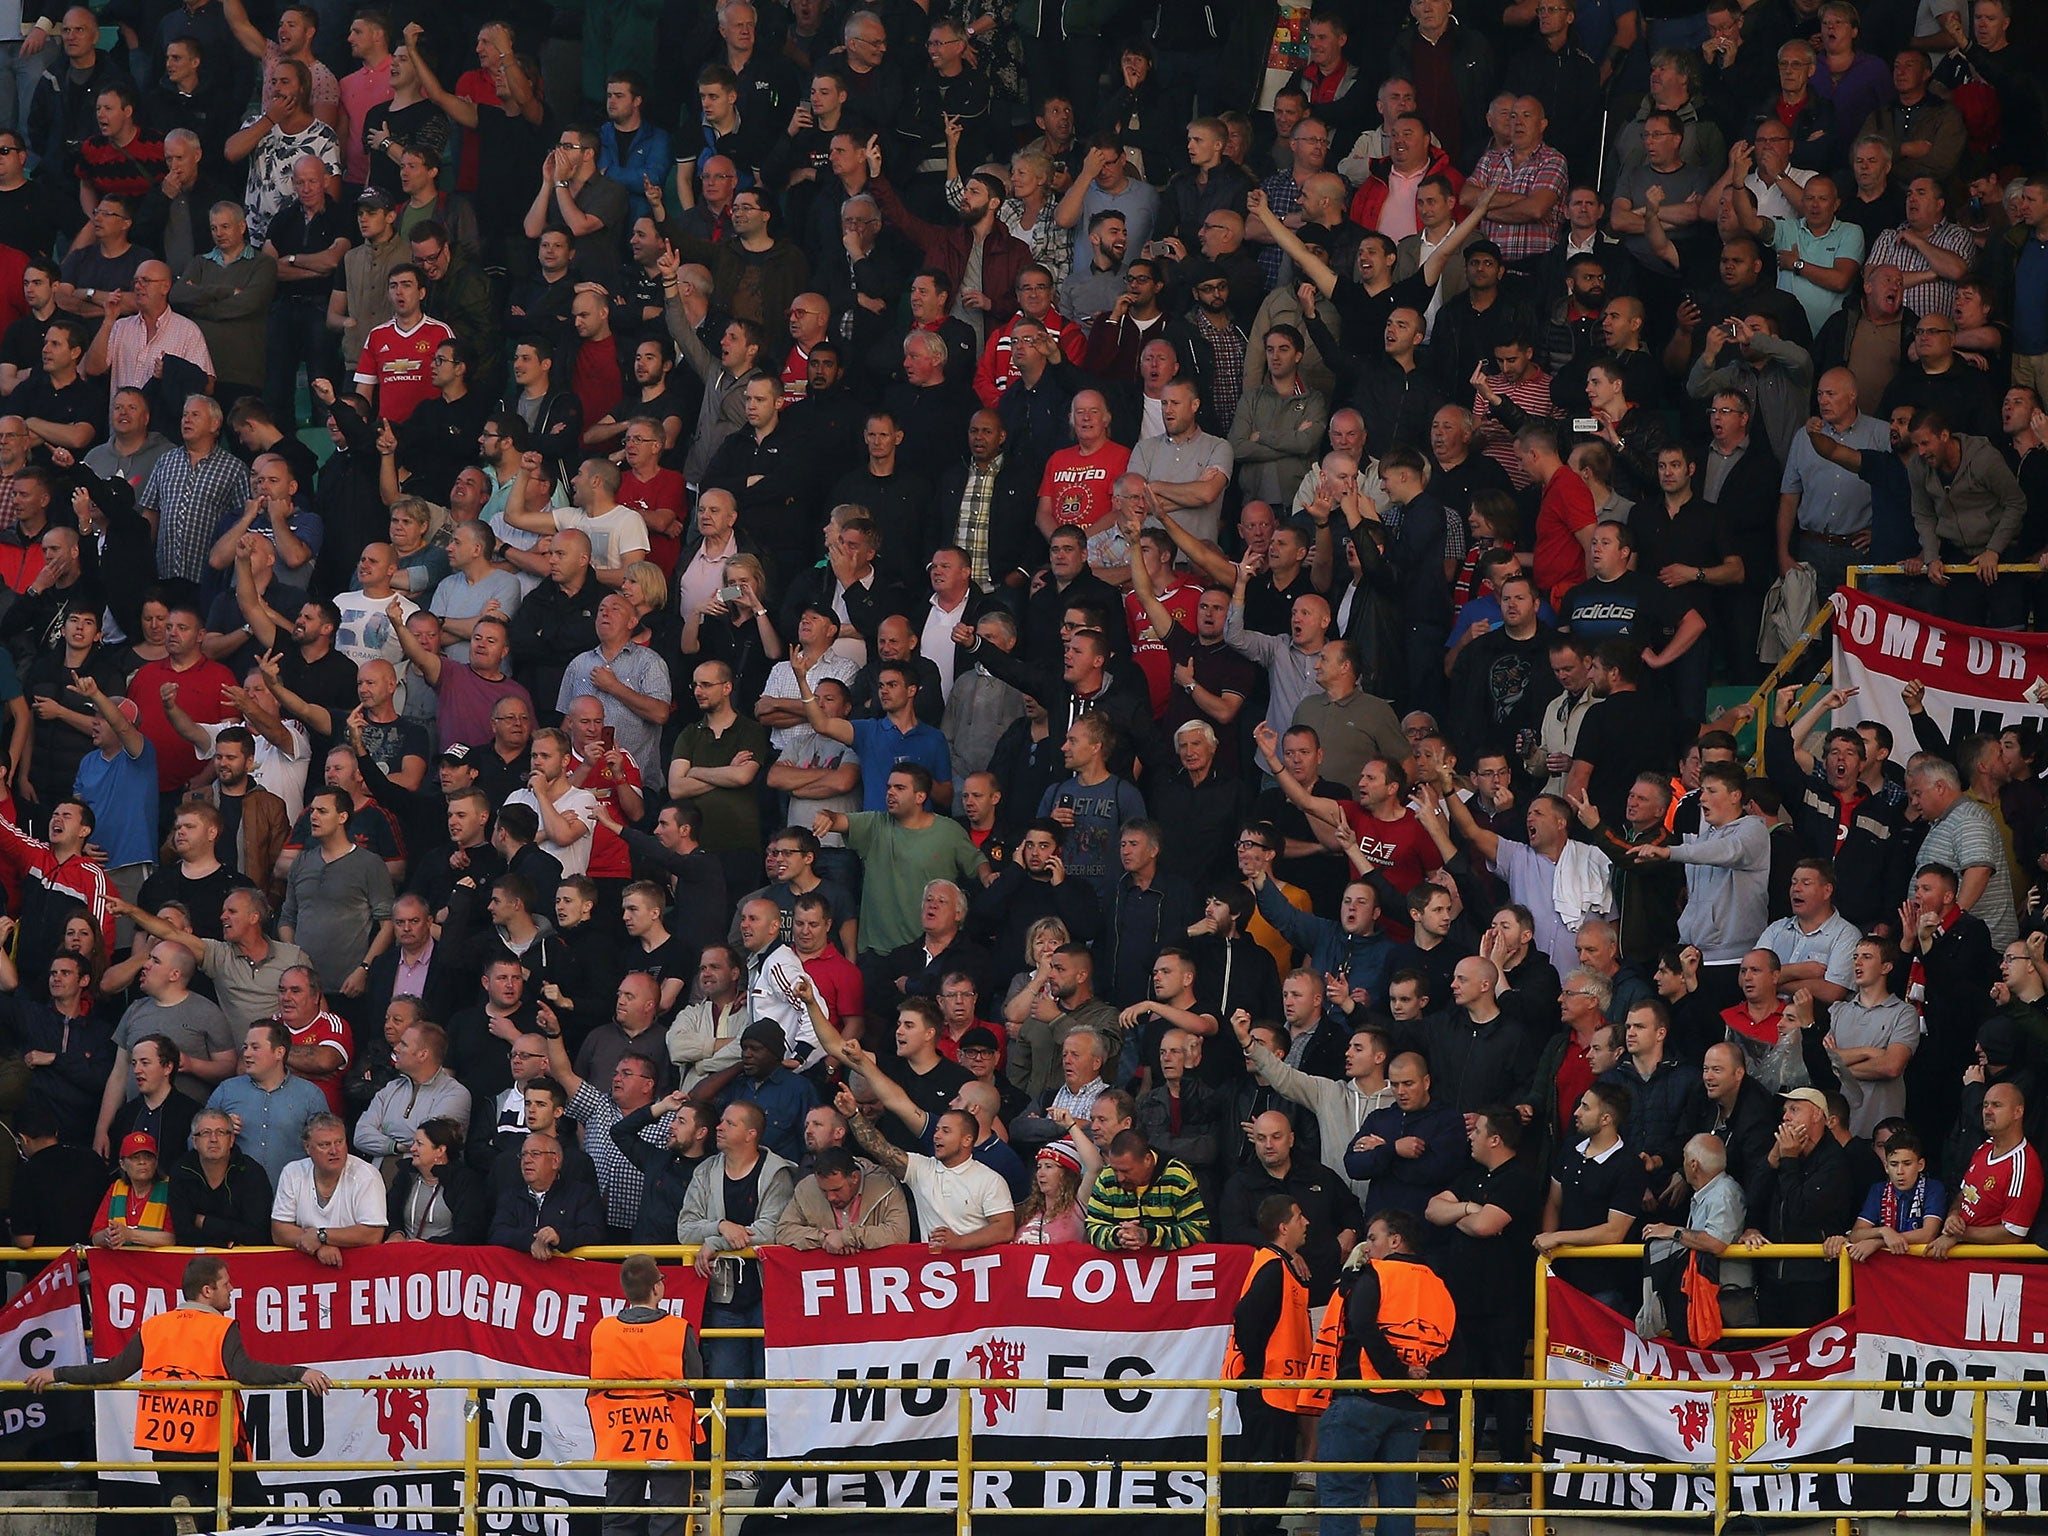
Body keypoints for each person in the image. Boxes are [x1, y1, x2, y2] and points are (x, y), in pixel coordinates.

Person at [26, 1253, 332, 1536]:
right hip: (211, 1440)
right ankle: (199, 1517)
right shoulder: (221, 1327)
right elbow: (247, 1372)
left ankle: (182, 1504)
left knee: (181, 1495)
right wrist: (299, 1373)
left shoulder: (154, 1326)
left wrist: (56, 1373)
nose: (232, 1289)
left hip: (165, 1439)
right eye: (226, 1284)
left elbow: (111, 1372)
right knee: (247, 1510)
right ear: (207, 1291)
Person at [1308, 1209, 1455, 1536]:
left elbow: (1363, 1327)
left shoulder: (1374, 1273)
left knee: (1341, 1498)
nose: (1366, 1246)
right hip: (1412, 1407)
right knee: (1399, 1502)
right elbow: (1448, 1341)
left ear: (1395, 1240)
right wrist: (1419, 1377)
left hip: (1364, 1397)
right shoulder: (1439, 1284)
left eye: (1373, 1238)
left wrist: (1397, 1373)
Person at [587, 1253, 703, 1536]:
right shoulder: (677, 1329)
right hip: (669, 1439)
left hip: (619, 1438)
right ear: (657, 1288)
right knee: (667, 1520)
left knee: (618, 1520)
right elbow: (695, 1379)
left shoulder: (602, 1330)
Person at [1221, 1194, 1315, 1536]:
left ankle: (1263, 1525)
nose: (1306, 1223)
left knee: (1272, 1462)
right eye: (1299, 1217)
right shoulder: (1273, 1267)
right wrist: (1259, 1368)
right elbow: (1246, 1317)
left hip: (1277, 1388)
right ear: (1282, 1227)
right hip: (1267, 1388)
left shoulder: (1278, 1264)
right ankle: (1259, 1527)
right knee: (1265, 1462)